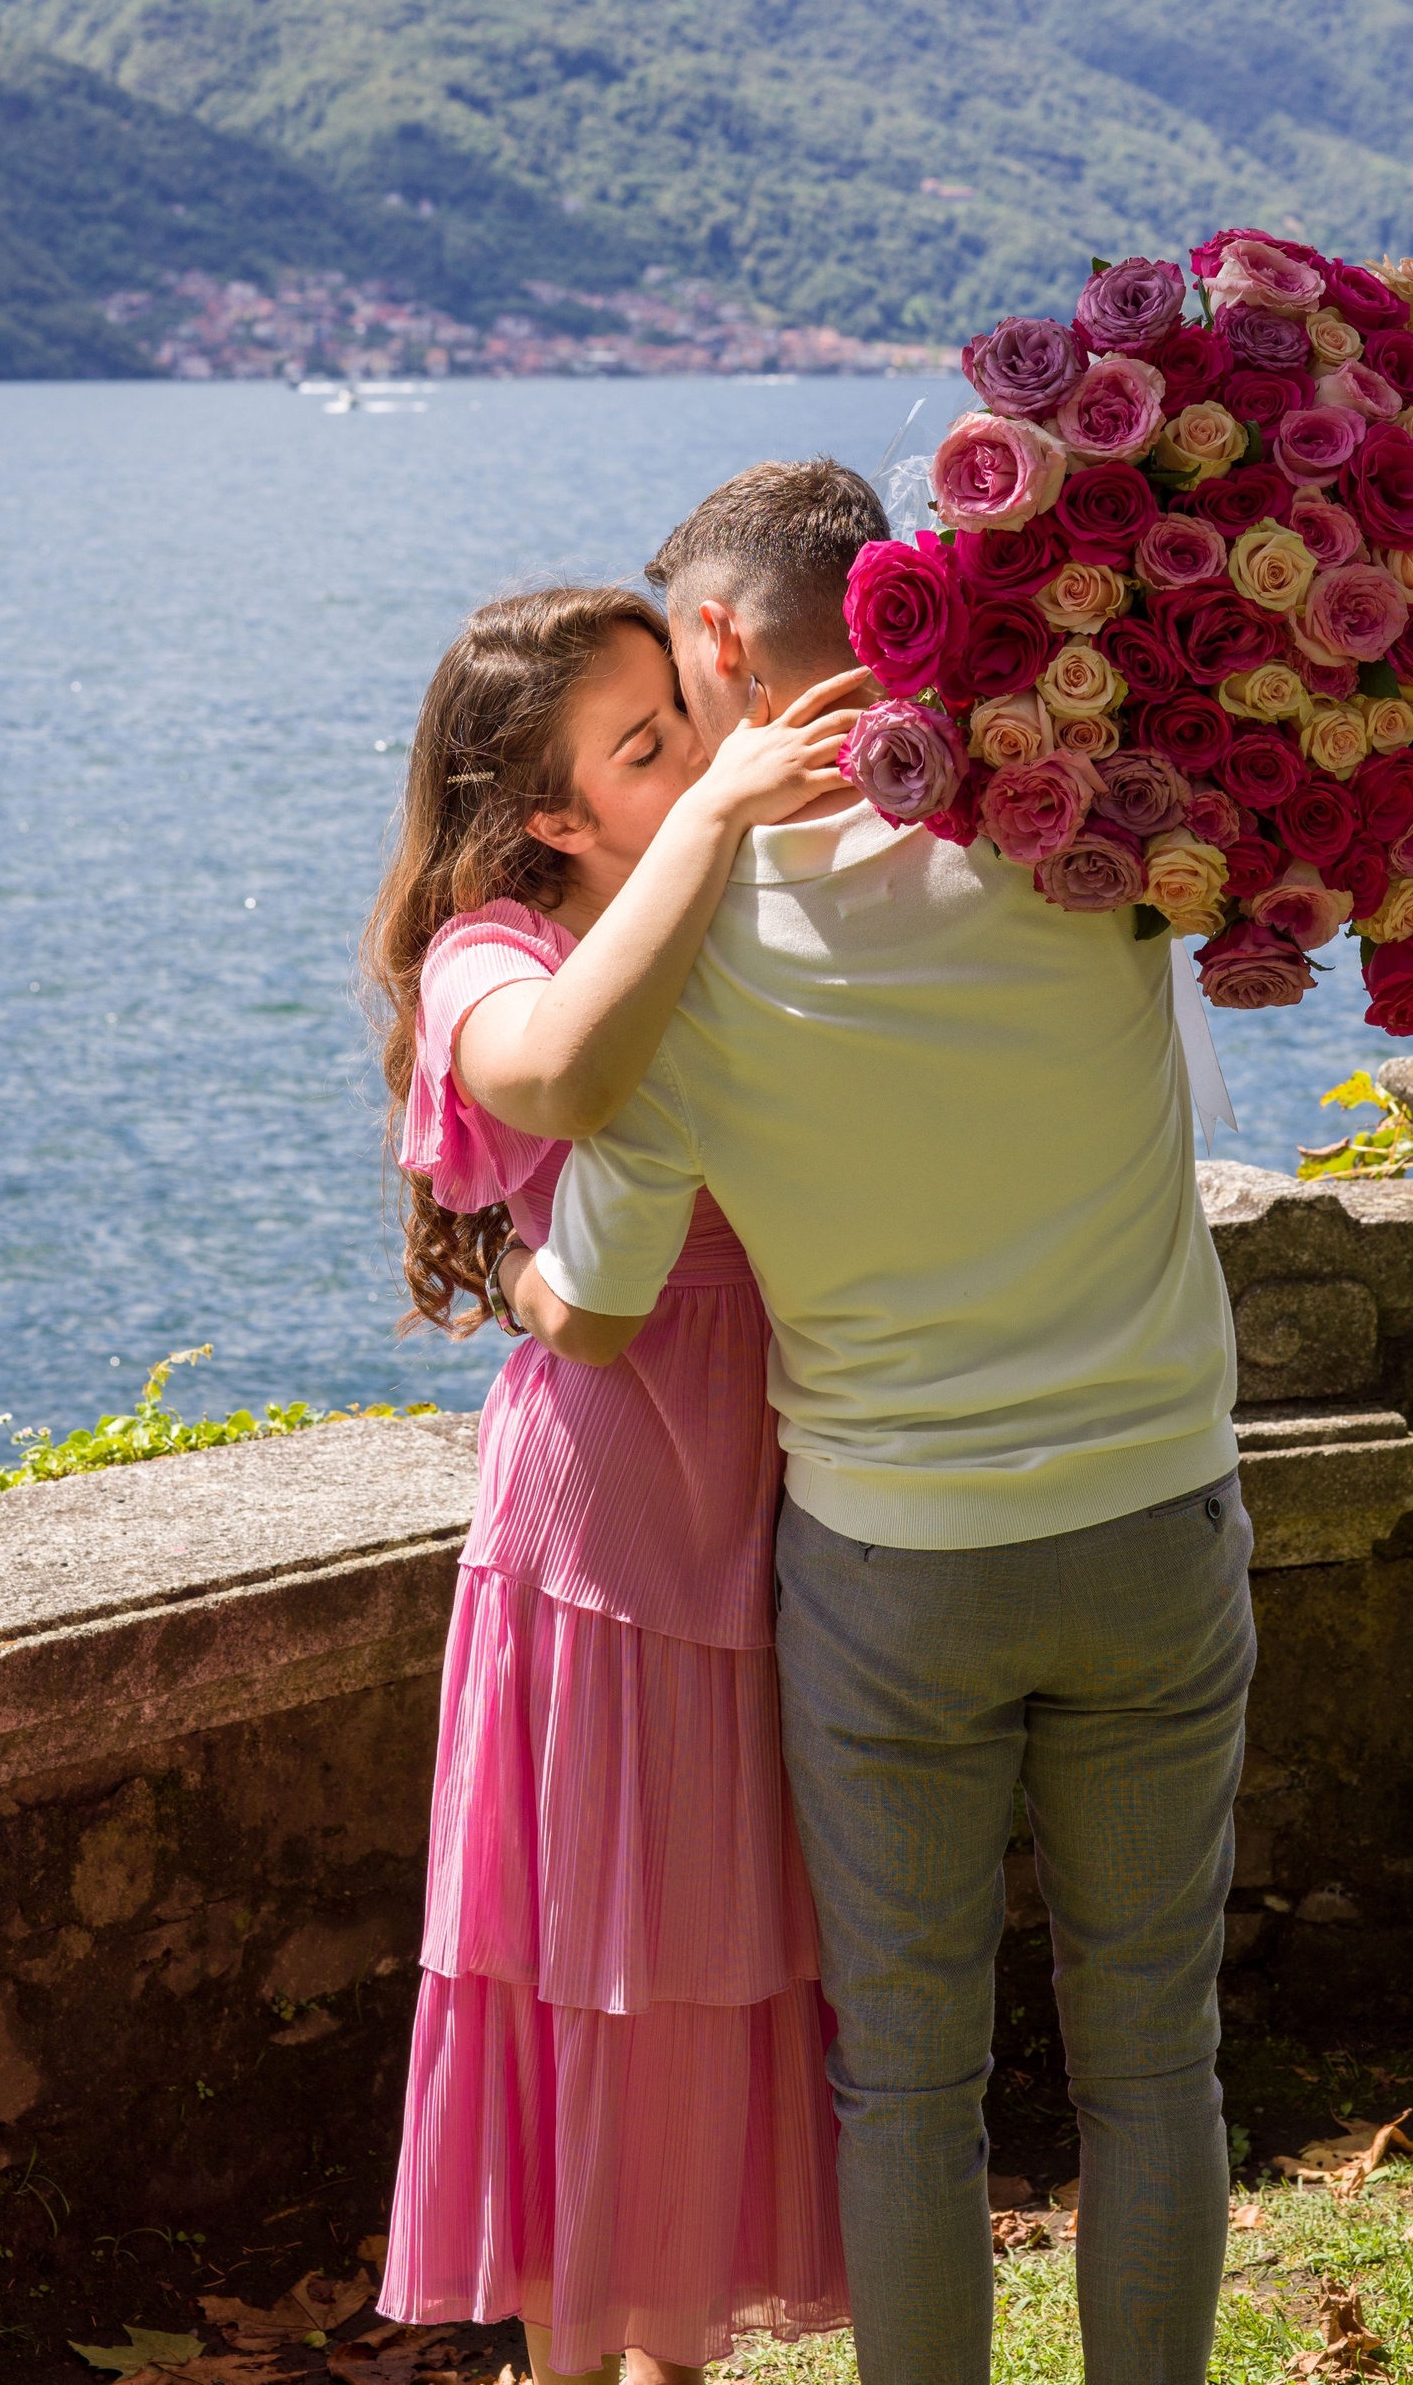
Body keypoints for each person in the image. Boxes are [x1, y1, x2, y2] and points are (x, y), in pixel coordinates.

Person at [525, 461, 1254, 2385]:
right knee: (1153, 2058)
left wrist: (506, 1276)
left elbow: (596, 1304)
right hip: (1152, 1517)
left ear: (714, 638)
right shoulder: (1088, 838)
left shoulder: (687, 958)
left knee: (911, 2085)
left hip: (893, 1568)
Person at [362, 580, 865, 2385]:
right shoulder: (489, 951)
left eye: (690, 718)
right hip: (606, 1524)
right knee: (597, 1980)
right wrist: (723, 817)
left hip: (788, 1498)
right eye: (645, 749)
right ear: (553, 817)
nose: (700, 758)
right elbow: (561, 1076)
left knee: (724, 1979)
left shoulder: (741, 886)